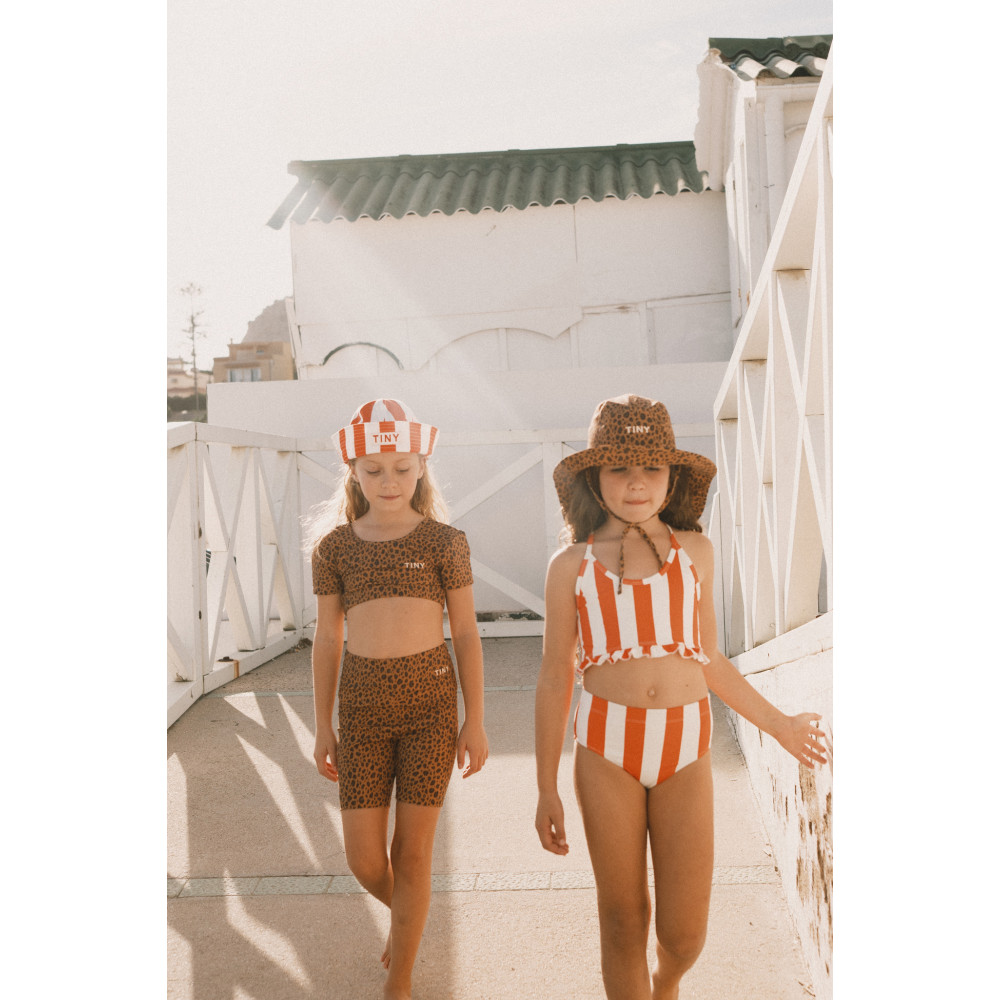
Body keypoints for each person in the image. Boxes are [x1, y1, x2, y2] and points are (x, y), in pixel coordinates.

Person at [534, 394, 827, 1000]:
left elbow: (709, 658)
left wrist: (781, 725)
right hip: (605, 749)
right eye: (619, 468)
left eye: (652, 468)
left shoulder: (695, 552)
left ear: (672, 478)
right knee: (623, 919)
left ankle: (666, 981)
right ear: (594, 476)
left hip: (685, 748)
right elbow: (555, 677)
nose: (636, 483)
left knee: (685, 933)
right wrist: (545, 787)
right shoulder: (570, 566)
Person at [306, 398, 489, 1000]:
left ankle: (400, 979)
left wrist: (475, 720)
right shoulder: (334, 549)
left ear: (421, 468)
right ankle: (411, 916)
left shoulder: (445, 542)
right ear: (353, 471)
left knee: (412, 854)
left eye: (402, 469)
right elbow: (327, 638)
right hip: (361, 711)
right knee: (365, 859)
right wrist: (322, 725)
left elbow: (466, 632)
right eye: (375, 469)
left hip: (430, 709)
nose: (389, 481)